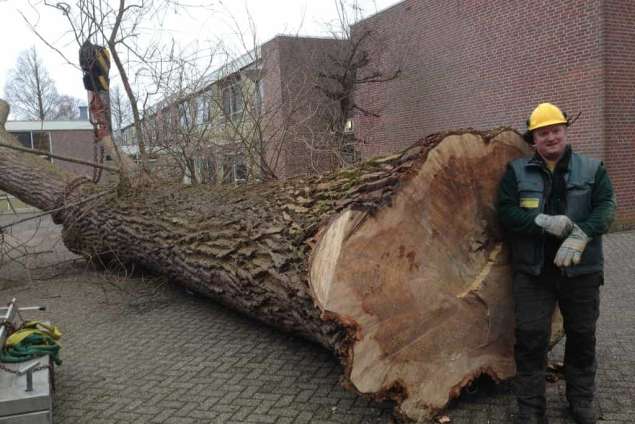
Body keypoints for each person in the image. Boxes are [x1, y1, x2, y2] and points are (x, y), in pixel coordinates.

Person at [496, 102, 616, 424]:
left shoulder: (593, 170)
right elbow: (506, 211)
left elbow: (606, 207)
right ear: (533, 139)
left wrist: (583, 234)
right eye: (542, 133)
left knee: (581, 335)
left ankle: (580, 401)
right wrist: (540, 222)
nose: (550, 137)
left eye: (555, 130)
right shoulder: (516, 172)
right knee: (531, 338)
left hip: (582, 270)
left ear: (565, 131)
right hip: (534, 272)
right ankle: (531, 409)